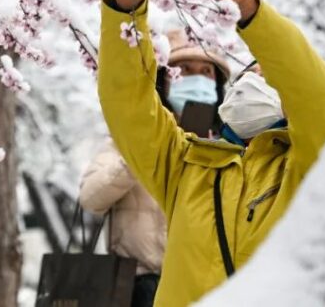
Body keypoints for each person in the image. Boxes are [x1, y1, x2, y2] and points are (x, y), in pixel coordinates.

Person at [99, 0, 325, 307]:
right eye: (250, 73)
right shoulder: (188, 168)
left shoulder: (308, 170)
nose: (255, 82)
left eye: (269, 78)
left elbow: (318, 97)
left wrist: (247, 8)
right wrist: (127, 8)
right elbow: (127, 105)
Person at [80, 33, 230, 307]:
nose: (197, 79)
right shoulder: (129, 138)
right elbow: (91, 198)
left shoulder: (228, 146)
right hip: (138, 286)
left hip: (204, 286)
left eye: (206, 71)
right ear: (164, 79)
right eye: (184, 69)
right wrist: (142, 152)